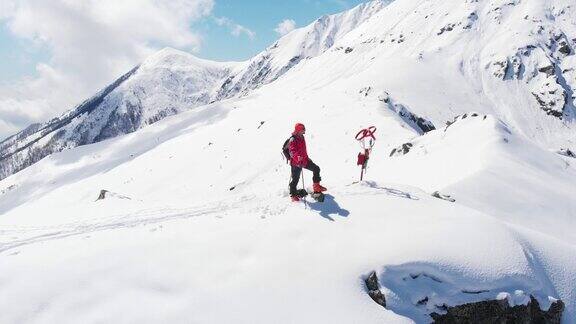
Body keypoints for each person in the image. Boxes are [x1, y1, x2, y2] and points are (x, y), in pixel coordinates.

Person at [288, 123, 326, 201]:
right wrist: (298, 158)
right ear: (298, 130)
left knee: (316, 168)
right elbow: (292, 152)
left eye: (304, 129)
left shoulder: (302, 137)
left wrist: (307, 158)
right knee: (295, 179)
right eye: (303, 129)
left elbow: (303, 150)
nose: (304, 131)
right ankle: (293, 195)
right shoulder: (293, 139)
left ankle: (316, 187)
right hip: (296, 163)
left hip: (304, 160)